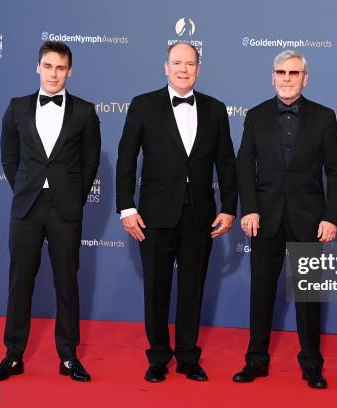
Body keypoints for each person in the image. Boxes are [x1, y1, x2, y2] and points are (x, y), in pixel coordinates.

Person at [116, 42, 237, 383]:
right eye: (177, 63)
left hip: (200, 215)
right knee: (156, 287)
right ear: (166, 67)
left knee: (192, 287)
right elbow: (127, 160)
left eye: (190, 64)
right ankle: (157, 357)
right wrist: (126, 207)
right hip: (153, 215)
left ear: (199, 69)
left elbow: (226, 163)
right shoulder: (143, 105)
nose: (183, 69)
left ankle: (187, 356)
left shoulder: (215, 109)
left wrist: (229, 207)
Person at [233, 50, 337, 389]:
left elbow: (336, 172)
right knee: (261, 292)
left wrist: (330, 216)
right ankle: (256, 360)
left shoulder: (324, 117)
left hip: (308, 218)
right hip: (264, 217)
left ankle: (312, 364)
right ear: (272, 76)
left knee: (308, 296)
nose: (286, 78)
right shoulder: (255, 116)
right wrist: (249, 208)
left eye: (293, 73)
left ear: (304, 78)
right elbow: (243, 165)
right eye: (280, 72)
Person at [0, 41, 101, 382]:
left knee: (67, 282)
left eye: (61, 67)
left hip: (66, 209)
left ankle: (68, 357)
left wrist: (72, 197)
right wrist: (26, 188)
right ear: (38, 67)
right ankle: (13, 355)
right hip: (27, 206)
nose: (54, 73)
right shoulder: (17, 107)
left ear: (70, 71)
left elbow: (90, 162)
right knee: (20, 282)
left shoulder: (84, 111)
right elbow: (9, 157)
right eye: (48, 66)